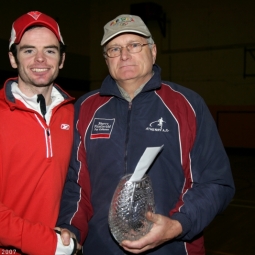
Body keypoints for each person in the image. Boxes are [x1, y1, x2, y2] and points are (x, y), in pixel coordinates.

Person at [57, 14, 235, 254]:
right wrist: (71, 229)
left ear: (153, 51)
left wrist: (177, 225)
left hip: (172, 248)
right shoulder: (85, 108)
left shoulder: (188, 105)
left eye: (134, 45)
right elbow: (76, 184)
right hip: (99, 248)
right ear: (106, 59)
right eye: (114, 49)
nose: (124, 55)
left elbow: (216, 182)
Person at [0, 11, 80, 255]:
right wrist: (48, 244)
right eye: (28, 50)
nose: (40, 59)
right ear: (13, 59)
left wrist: (70, 228)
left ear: (62, 59)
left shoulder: (74, 115)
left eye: (50, 50)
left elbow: (76, 185)